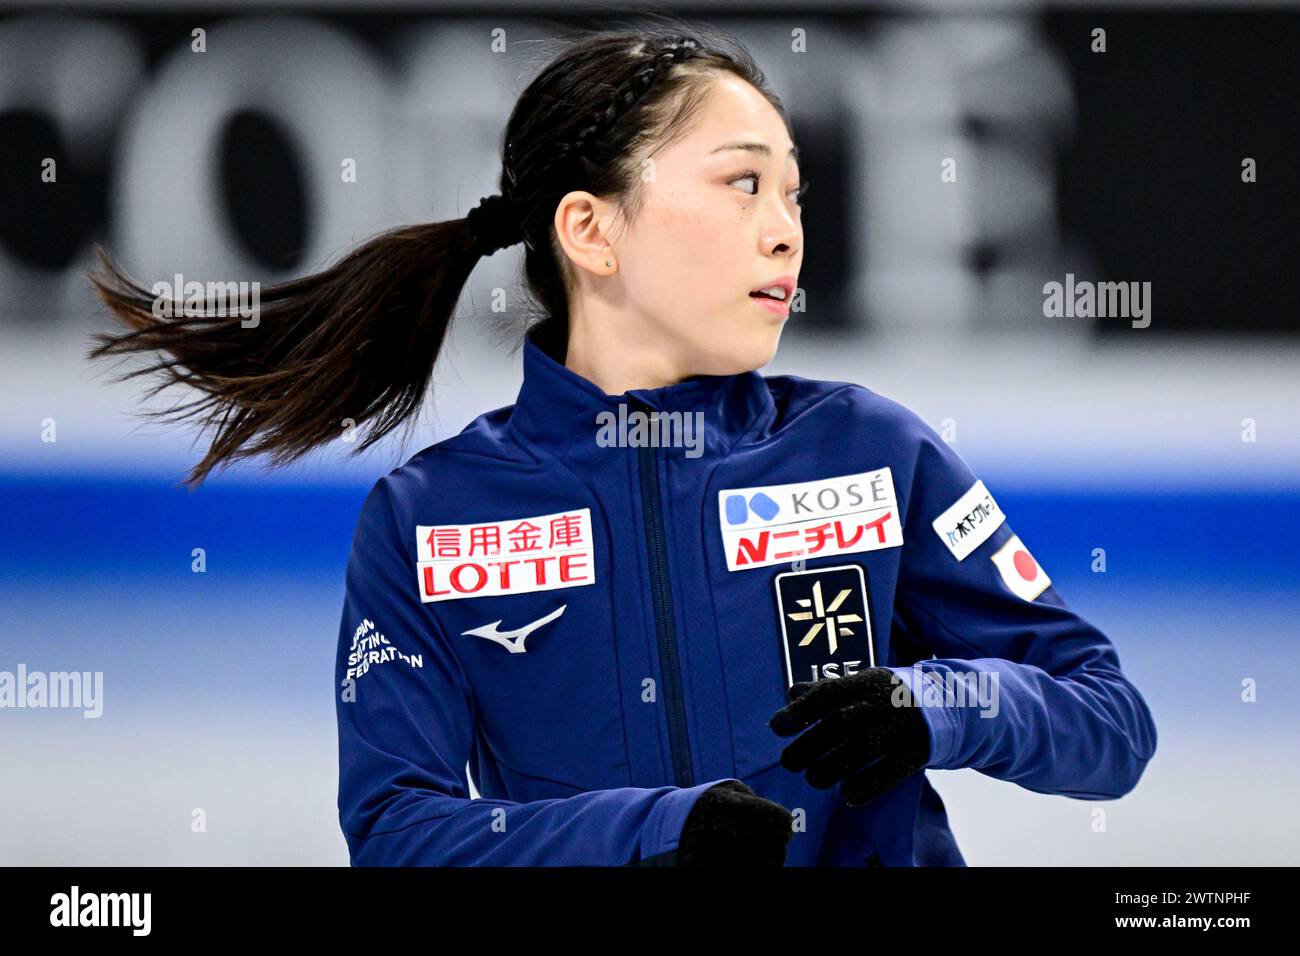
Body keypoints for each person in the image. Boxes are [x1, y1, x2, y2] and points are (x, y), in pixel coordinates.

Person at [86, 22, 1157, 867]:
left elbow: (1110, 721)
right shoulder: (427, 518)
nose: (785, 227)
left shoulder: (871, 451)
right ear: (591, 230)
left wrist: (938, 706)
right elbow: (398, 833)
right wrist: (653, 835)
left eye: (792, 191)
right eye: (742, 183)